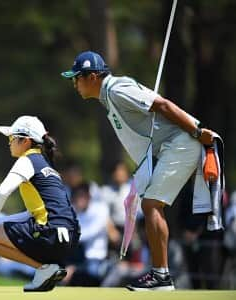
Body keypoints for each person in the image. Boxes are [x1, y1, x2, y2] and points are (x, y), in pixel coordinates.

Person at [61, 51, 215, 291]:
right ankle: (160, 275)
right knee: (151, 205)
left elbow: (162, 104)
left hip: (182, 143)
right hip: (169, 148)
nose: (74, 84)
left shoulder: (117, 89)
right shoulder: (109, 97)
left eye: (77, 78)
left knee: (151, 205)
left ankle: (161, 277)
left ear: (92, 77)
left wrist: (196, 131)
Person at [0, 115, 80, 292]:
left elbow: (2, 193)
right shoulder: (47, 165)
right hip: (70, 237)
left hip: (50, 234)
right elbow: (35, 212)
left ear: (25, 141)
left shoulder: (27, 160)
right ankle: (47, 270)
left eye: (11, 138)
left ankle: (44, 269)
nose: (9, 143)